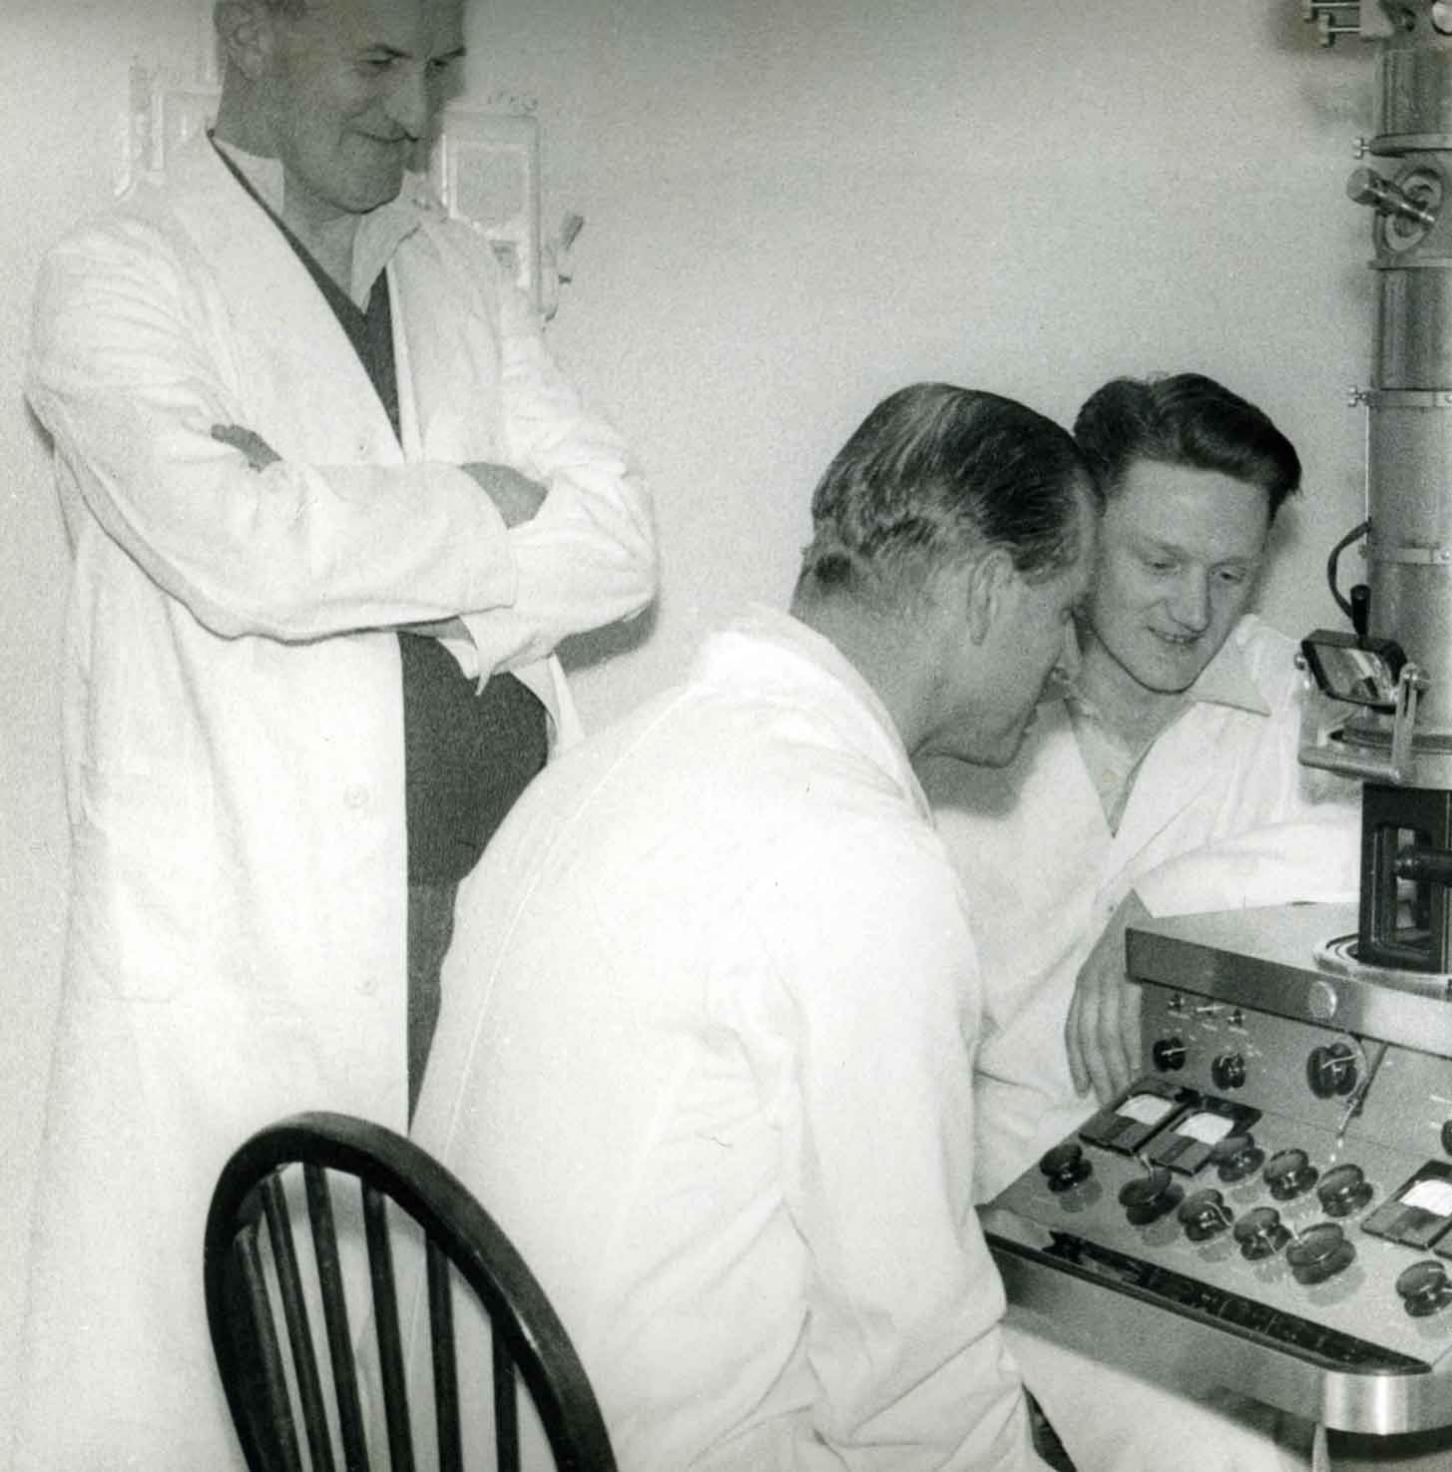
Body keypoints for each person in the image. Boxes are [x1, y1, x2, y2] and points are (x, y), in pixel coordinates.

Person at [13, 0, 655, 1464]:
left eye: (439, 69)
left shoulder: (460, 272)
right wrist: (489, 501)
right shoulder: (116, 275)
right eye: (378, 62)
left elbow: (620, 542)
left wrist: (328, 510)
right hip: (255, 933)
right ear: (249, 34)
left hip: (495, 909)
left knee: (455, 1377)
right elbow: (243, 554)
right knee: (244, 1385)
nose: (416, 114)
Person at [412, 383, 1095, 1470]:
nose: (1069, 666)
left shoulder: (602, 767)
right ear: (982, 592)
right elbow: (915, 1376)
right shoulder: (856, 852)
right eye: (1065, 612)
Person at [922, 373, 1362, 1472]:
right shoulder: (977, 708)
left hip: (1206, 1235)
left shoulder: (1288, 699)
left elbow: (1390, 855)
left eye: (1229, 573)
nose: (1193, 610)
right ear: (1081, 531)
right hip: (985, 1247)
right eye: (1158, 563)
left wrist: (1162, 903)